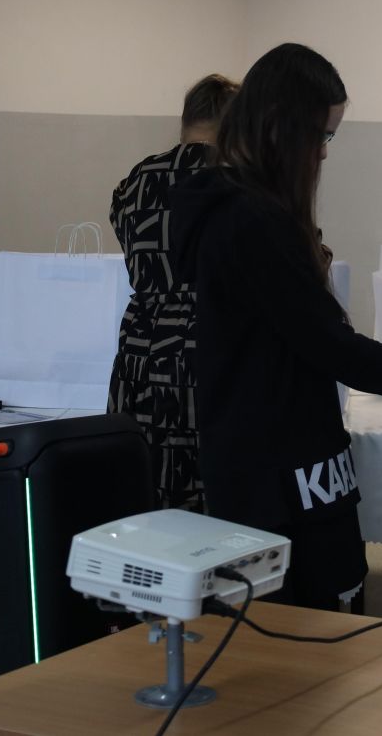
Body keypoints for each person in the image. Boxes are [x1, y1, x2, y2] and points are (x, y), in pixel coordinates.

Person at [170, 42, 382, 610]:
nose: (321, 153)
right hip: (279, 473)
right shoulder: (250, 218)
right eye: (319, 135)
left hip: (274, 460)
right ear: (278, 125)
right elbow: (328, 344)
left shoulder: (242, 208)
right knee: (308, 626)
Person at [108, 73, 237, 512]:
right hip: (209, 347)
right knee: (209, 493)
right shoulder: (238, 182)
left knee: (139, 481)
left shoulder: (135, 180)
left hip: (140, 347)